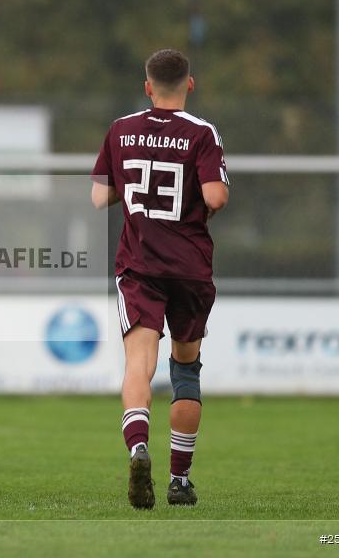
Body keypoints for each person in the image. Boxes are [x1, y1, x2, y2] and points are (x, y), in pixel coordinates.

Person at [91, 49, 229, 509]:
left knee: (138, 363)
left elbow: (98, 197)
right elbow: (216, 196)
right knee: (186, 368)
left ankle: (137, 447)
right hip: (189, 267)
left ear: (147, 86)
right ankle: (180, 480)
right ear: (190, 84)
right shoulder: (202, 133)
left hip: (139, 264)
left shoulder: (121, 129)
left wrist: (132, 192)